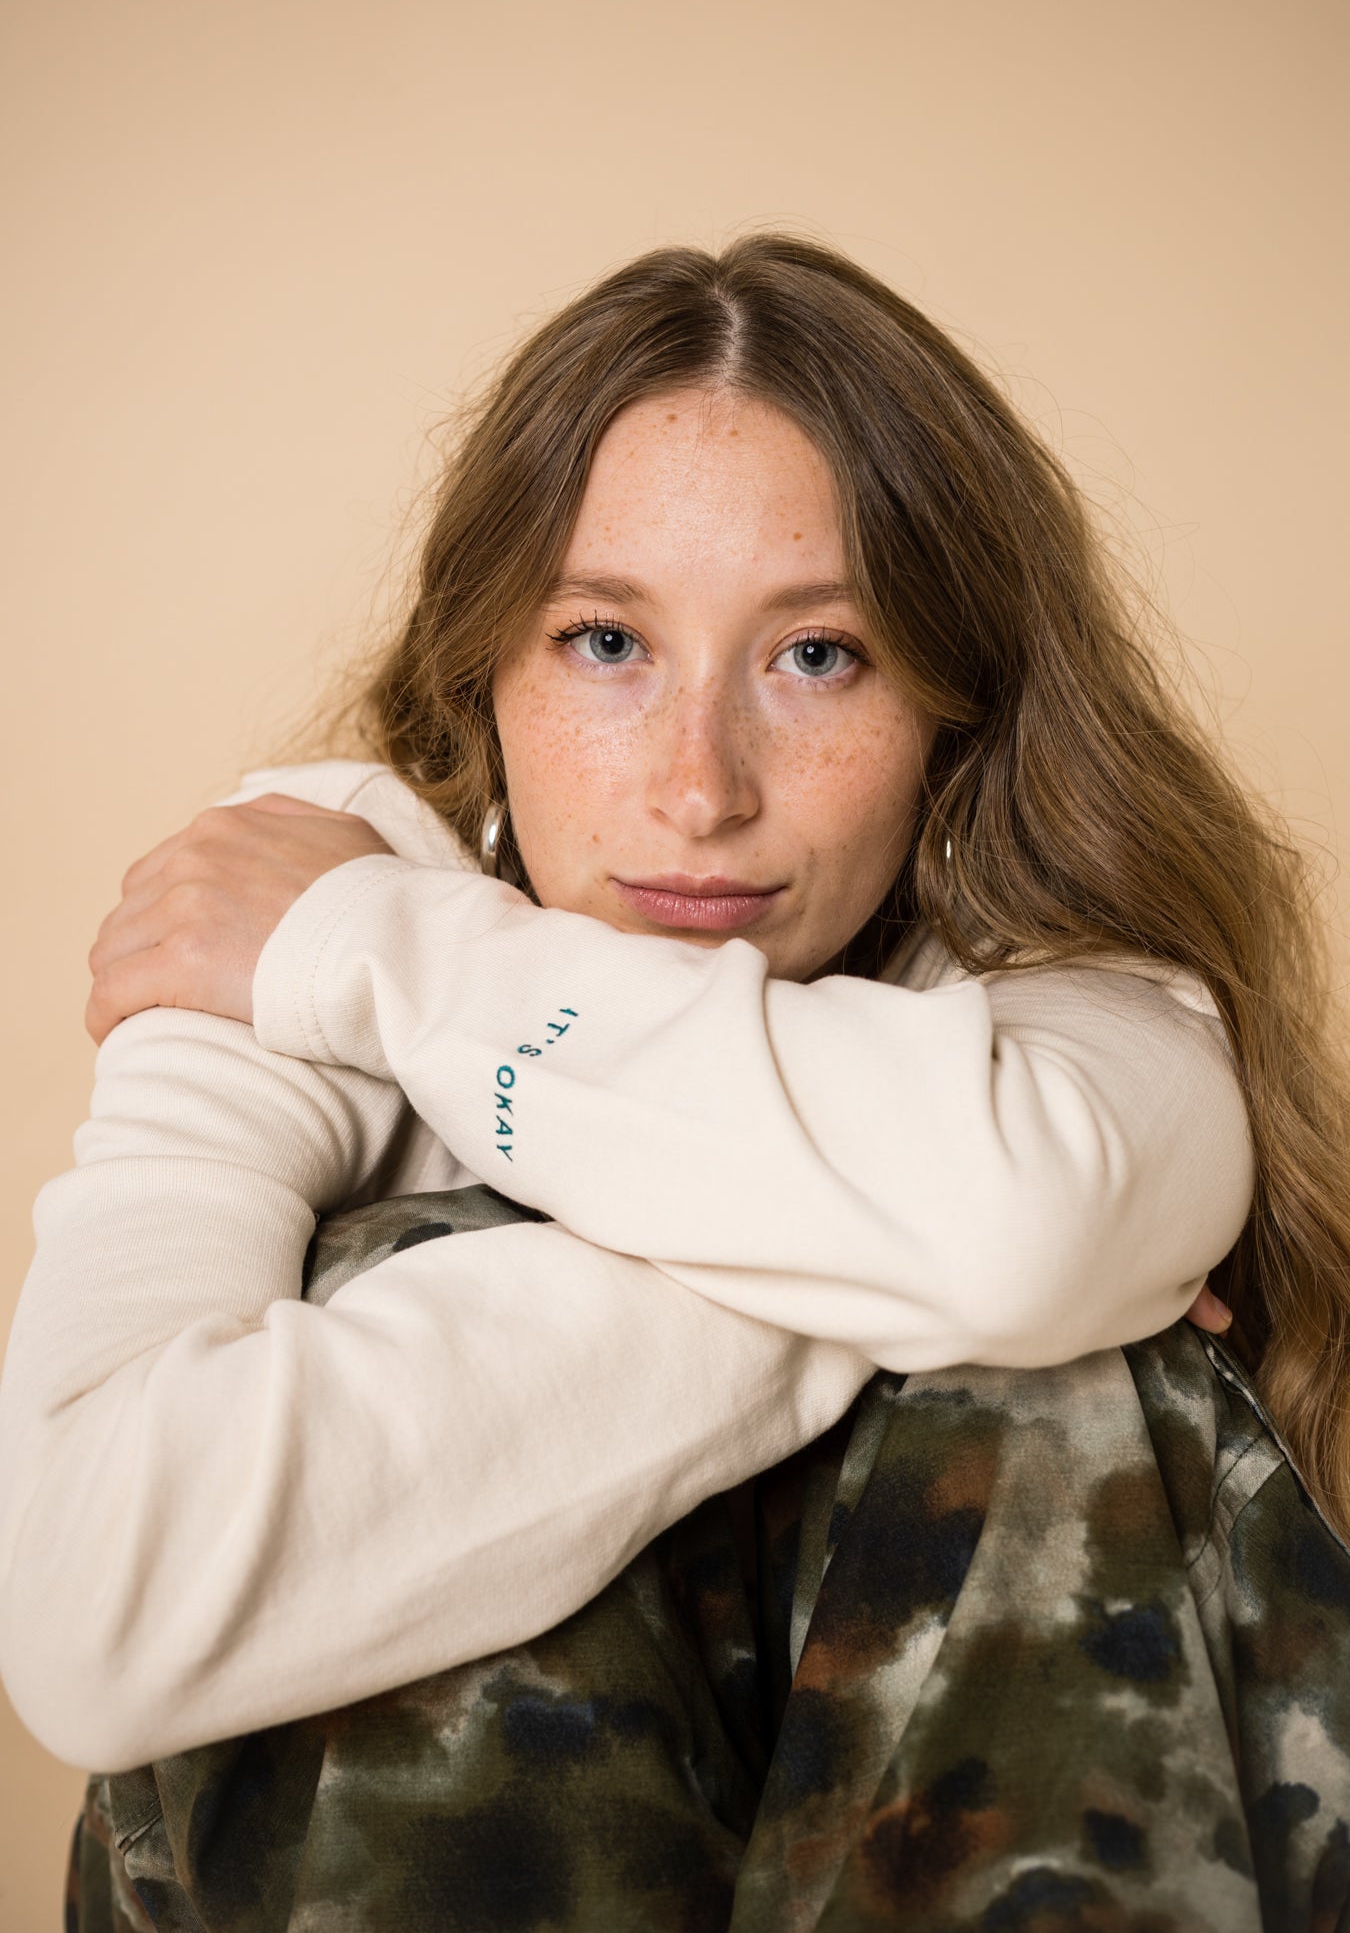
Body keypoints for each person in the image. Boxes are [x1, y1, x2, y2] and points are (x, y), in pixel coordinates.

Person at [3, 235, 1349, 1927]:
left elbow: (1010, 1236)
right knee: (1033, 1323)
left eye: (817, 656)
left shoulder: (1070, 997)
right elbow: (92, 1607)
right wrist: (923, 1258)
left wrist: (376, 957)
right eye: (603, 641)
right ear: (475, 669)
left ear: (955, 709)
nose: (700, 787)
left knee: (1054, 1382)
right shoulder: (304, 873)